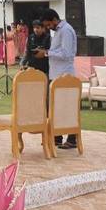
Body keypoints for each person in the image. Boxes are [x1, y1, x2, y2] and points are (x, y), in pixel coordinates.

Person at [35, 9, 77, 149]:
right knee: (54, 108)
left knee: (66, 108)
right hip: (56, 75)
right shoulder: (59, 31)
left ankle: (72, 139)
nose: (48, 28)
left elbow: (66, 53)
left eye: (48, 25)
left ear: (54, 19)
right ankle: (57, 137)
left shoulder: (65, 30)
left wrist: (46, 53)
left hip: (64, 75)